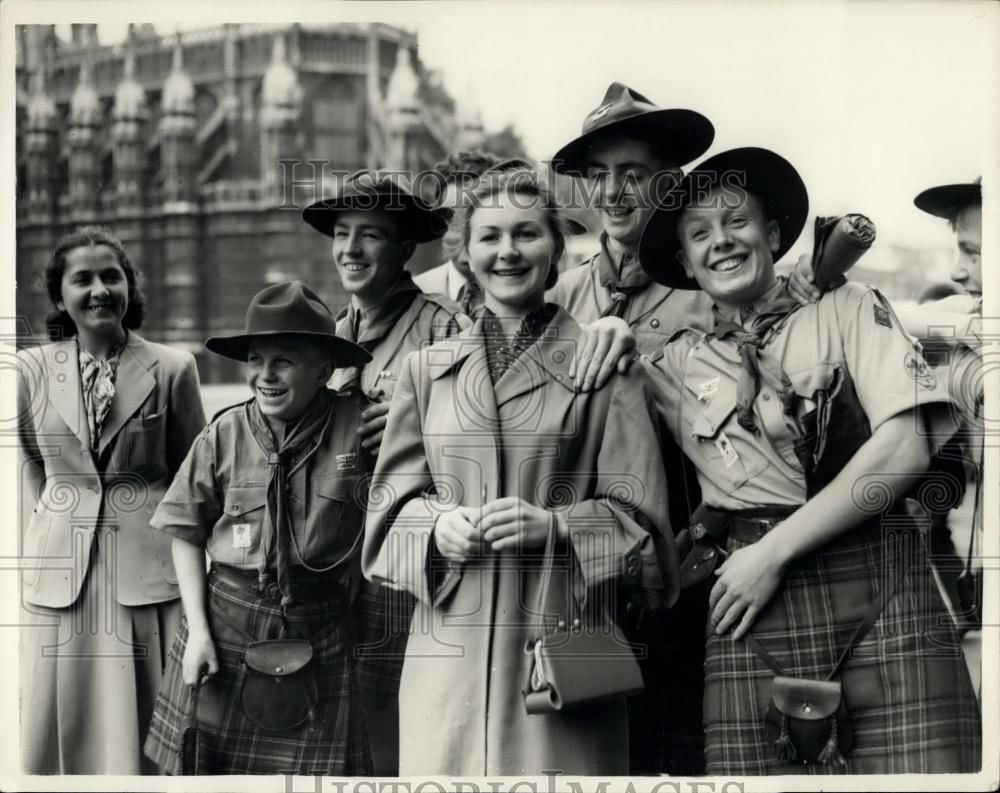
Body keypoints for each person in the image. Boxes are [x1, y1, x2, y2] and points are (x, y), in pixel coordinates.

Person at [639, 147, 981, 774]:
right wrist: (605, 336)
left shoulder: (847, 306)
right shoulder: (667, 365)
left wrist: (771, 553)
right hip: (750, 614)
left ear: (771, 234)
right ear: (686, 262)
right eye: (700, 234)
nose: (721, 242)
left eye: (737, 221)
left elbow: (905, 445)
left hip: (879, 580)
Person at [363, 168, 678, 775]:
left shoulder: (606, 368)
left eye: (527, 234)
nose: (507, 251)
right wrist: (433, 526)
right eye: (489, 237)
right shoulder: (424, 373)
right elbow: (383, 526)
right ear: (464, 256)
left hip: (565, 658)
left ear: (556, 248)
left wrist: (557, 527)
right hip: (446, 665)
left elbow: (649, 541)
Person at [143, 281, 374, 775]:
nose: (265, 375)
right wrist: (199, 632)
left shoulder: (360, 429)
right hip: (226, 624)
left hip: (320, 628)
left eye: (284, 361)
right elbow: (184, 531)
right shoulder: (223, 434)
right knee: (211, 775)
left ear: (325, 371)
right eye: (256, 360)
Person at [17, 225, 206, 774]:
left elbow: (192, 477)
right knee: (64, 720)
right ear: (59, 297)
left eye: (111, 277)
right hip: (63, 573)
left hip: (147, 572)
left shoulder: (174, 368)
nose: (99, 290)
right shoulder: (31, 371)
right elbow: (36, 465)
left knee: (146, 725)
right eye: (82, 280)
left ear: (129, 288)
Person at [302, 172, 464, 775]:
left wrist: (412, 429)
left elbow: (474, 456)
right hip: (334, 564)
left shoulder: (445, 329)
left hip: (403, 567)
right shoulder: (332, 335)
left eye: (370, 235)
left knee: (399, 729)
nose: (350, 249)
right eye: (341, 234)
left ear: (404, 249)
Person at [413, 149, 501, 312]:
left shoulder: (534, 295)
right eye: (451, 217)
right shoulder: (415, 295)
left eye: (477, 219)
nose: (464, 235)